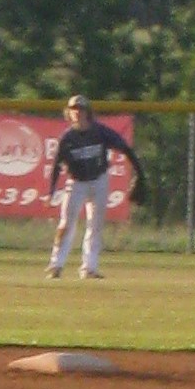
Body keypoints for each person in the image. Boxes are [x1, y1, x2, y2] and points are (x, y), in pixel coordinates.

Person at [44, 95, 144, 281]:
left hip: (99, 180)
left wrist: (140, 174)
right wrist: (51, 191)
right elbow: (56, 166)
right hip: (76, 183)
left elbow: (125, 148)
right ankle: (56, 265)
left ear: (88, 112)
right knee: (66, 224)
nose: (77, 113)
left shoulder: (100, 132)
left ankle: (89, 268)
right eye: (74, 109)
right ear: (69, 113)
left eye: (81, 109)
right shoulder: (67, 138)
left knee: (96, 225)